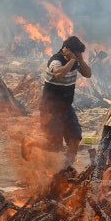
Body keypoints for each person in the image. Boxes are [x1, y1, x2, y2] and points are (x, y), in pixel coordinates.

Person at [22, 36, 92, 166]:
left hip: (66, 108)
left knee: (75, 138)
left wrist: (79, 60)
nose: (78, 56)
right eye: (77, 53)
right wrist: (72, 60)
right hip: (50, 110)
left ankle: (68, 168)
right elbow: (59, 74)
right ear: (67, 50)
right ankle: (29, 142)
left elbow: (88, 74)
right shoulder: (56, 61)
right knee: (54, 146)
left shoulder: (76, 61)